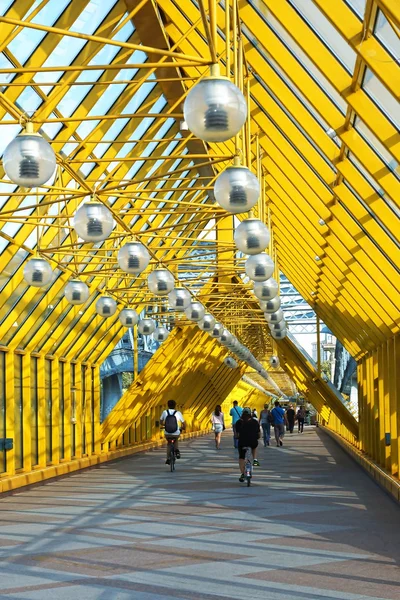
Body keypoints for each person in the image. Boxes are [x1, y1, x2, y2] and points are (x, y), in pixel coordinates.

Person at [235, 407, 261, 482]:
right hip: (253, 441)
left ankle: (243, 474)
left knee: (241, 458)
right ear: (250, 414)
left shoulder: (238, 422)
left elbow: (237, 434)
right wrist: (257, 437)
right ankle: (255, 460)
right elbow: (259, 433)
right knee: (254, 446)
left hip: (242, 442)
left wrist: (238, 437)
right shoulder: (255, 422)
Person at [160, 400, 185, 464]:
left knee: (169, 444)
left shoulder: (165, 412)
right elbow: (183, 423)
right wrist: (183, 427)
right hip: (176, 432)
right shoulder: (178, 413)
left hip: (167, 432)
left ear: (168, 405)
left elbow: (161, 422)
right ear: (175, 405)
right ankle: (176, 450)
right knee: (176, 439)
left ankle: (168, 458)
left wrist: (164, 425)